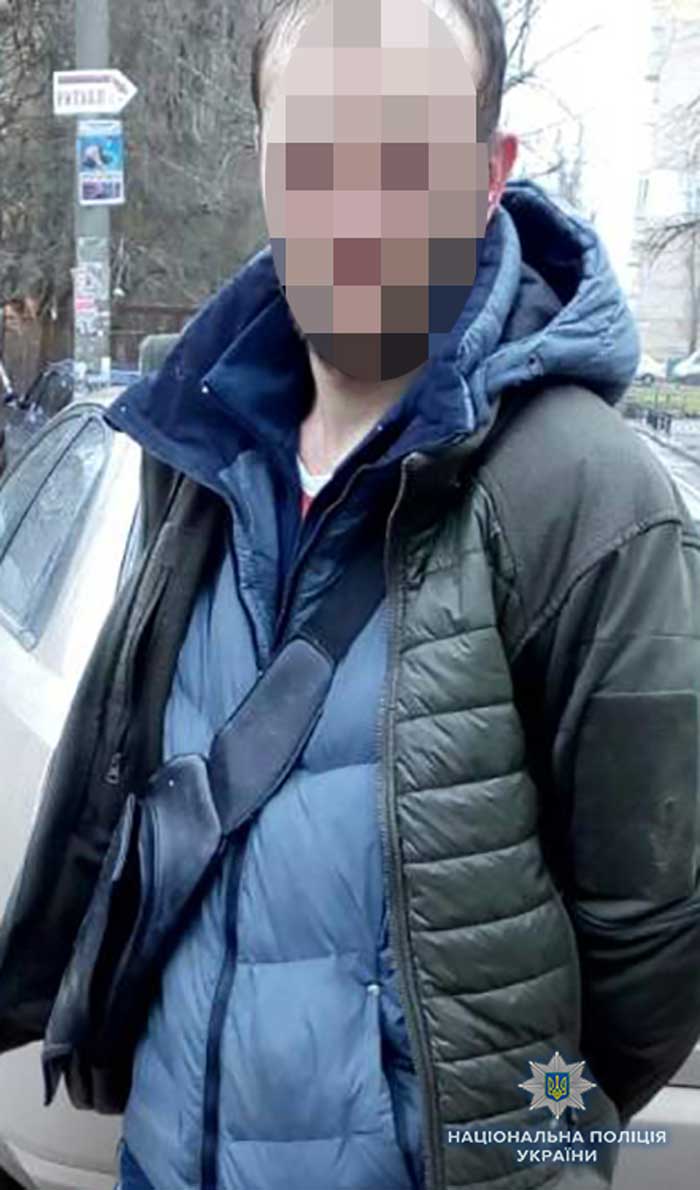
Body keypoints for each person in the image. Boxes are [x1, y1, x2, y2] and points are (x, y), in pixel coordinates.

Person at [1, 2, 699, 1189]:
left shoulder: (584, 495)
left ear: (487, 174)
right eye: (316, 150)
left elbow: (653, 953)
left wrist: (480, 1136)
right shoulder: (196, 457)